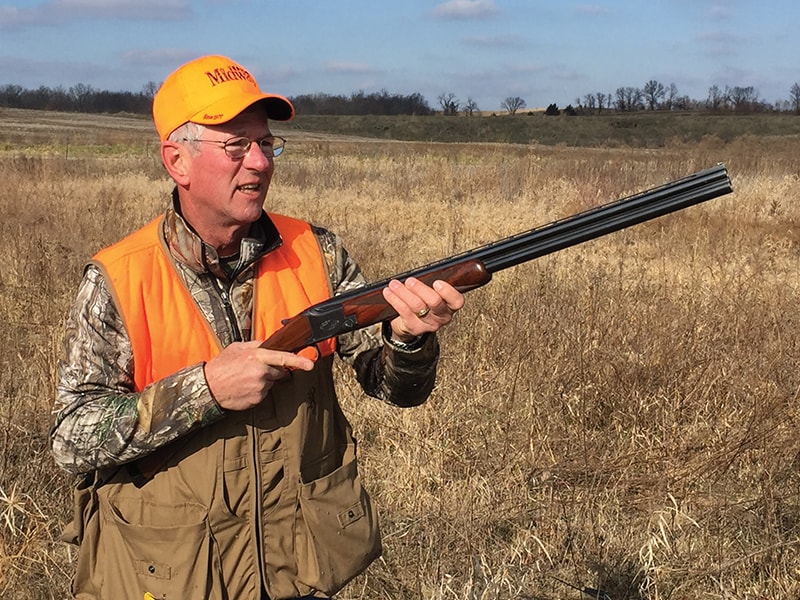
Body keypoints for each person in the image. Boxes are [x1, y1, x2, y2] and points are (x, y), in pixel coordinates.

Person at [51, 54, 465, 600]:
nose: (260, 163)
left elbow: (393, 388)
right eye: (236, 146)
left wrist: (410, 341)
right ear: (177, 161)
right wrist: (207, 389)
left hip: (294, 563)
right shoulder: (120, 278)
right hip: (173, 573)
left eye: (266, 144)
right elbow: (72, 439)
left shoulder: (316, 252)